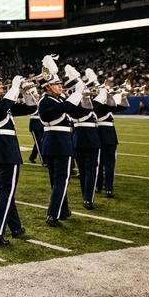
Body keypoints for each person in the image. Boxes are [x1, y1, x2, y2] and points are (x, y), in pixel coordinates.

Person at [0, 51, 36, 246]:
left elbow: (30, 108)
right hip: (5, 148)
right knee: (7, 192)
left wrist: (26, 92)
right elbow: (6, 104)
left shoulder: (0, 103)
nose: (2, 84)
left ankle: (15, 226)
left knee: (5, 191)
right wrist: (16, 87)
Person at [38, 55, 84, 226]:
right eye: (57, 84)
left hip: (53, 143)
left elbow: (76, 112)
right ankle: (53, 214)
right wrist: (77, 93)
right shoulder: (46, 101)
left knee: (58, 180)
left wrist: (84, 98)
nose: (60, 86)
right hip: (59, 142)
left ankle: (63, 210)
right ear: (48, 86)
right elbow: (63, 109)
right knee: (61, 180)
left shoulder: (56, 99)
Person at [63, 65, 100, 210]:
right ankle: (88, 198)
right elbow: (93, 105)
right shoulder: (82, 102)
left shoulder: (70, 102)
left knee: (83, 170)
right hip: (90, 137)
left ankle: (86, 195)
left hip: (77, 138)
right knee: (91, 169)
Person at [89, 69, 129, 198]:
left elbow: (123, 106)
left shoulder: (105, 105)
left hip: (109, 136)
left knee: (109, 164)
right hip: (101, 134)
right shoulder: (94, 105)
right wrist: (106, 95)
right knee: (99, 163)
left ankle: (109, 188)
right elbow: (105, 107)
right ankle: (98, 185)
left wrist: (122, 94)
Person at [28, 85, 46, 166]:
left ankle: (32, 157)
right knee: (39, 142)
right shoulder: (30, 102)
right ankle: (44, 161)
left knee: (41, 141)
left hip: (42, 122)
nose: (36, 94)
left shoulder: (40, 99)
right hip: (35, 122)